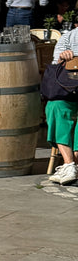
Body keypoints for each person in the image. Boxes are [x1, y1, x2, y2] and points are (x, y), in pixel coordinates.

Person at [48, 23, 78, 185]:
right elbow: (56, 69)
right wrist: (62, 58)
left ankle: (71, 166)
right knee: (55, 106)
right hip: (69, 89)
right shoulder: (69, 37)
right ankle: (70, 164)